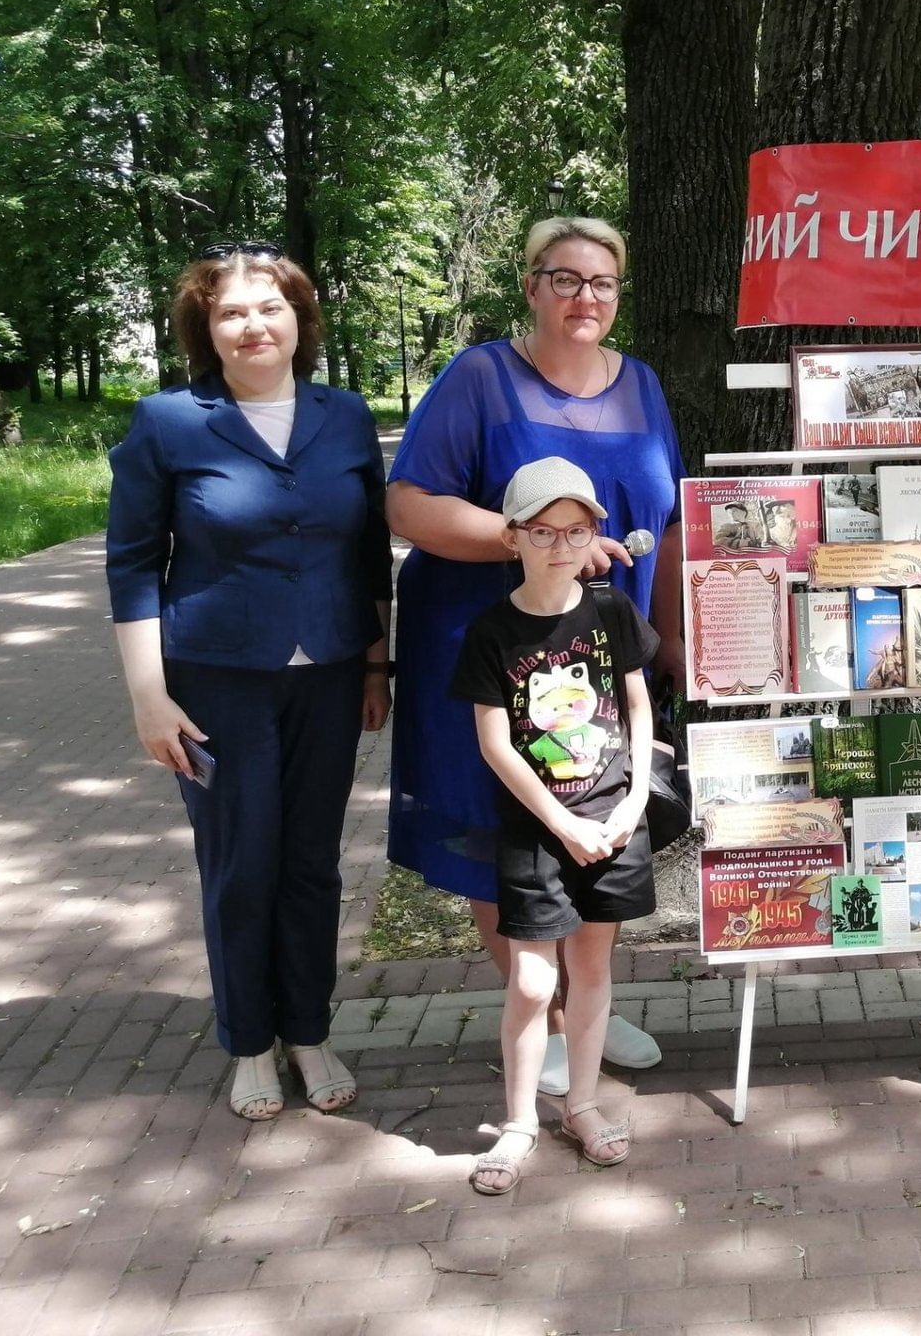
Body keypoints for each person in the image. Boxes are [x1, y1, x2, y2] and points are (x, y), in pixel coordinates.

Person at [385, 217, 683, 1088]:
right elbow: (409, 506)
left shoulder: (644, 387)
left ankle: (588, 1007)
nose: (585, 297)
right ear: (531, 286)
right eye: (565, 278)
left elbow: (662, 524)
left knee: (601, 820)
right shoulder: (482, 377)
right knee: (507, 828)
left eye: (602, 283)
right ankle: (540, 1013)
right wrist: (536, 543)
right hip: (501, 654)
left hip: (605, 660)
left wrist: (674, 647)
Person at [106, 243, 392, 1120]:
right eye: (231, 312)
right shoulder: (169, 421)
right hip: (215, 683)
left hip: (332, 677)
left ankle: (307, 1029)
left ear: (299, 321)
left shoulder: (344, 418)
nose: (252, 324)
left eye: (269, 308)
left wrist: (377, 662)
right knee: (240, 863)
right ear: (207, 329)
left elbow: (369, 549)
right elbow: (132, 565)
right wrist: (149, 696)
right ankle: (249, 1043)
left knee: (311, 865)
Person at [454, 458, 654, 1193]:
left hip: (612, 822)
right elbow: (495, 742)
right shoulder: (492, 630)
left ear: (594, 534)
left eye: (576, 531)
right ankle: (517, 1123)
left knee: (594, 968)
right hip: (540, 831)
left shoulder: (610, 610)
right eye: (543, 531)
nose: (561, 546)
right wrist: (562, 823)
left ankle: (584, 1105)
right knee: (536, 983)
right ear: (513, 538)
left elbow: (635, 706)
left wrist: (630, 803)